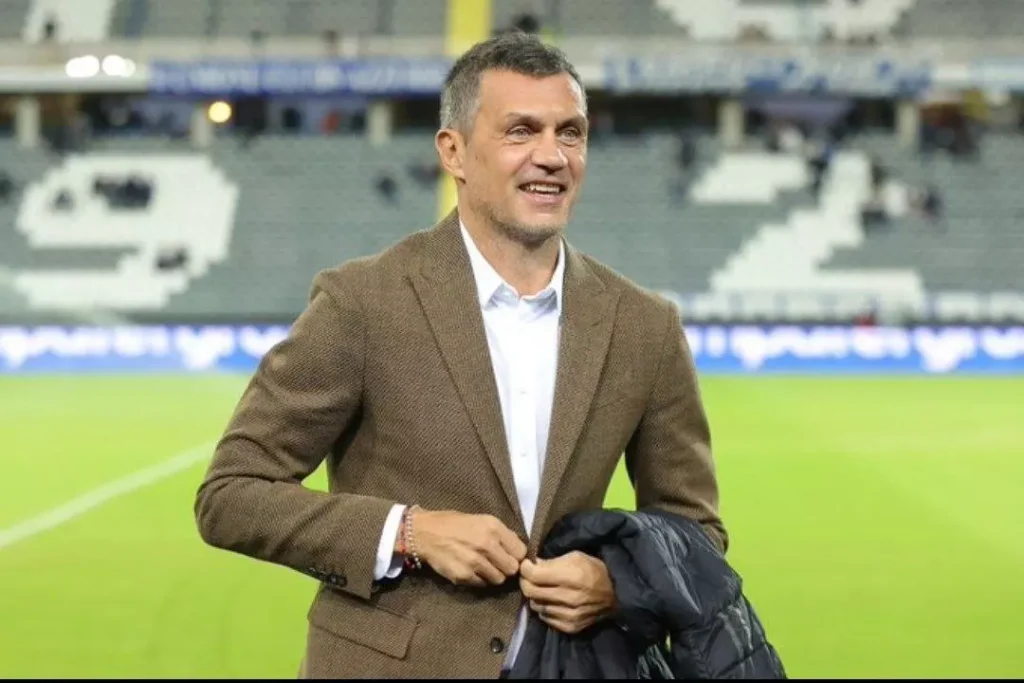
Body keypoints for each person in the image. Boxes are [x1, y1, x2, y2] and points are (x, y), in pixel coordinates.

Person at [194, 31, 726, 679]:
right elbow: (231, 494)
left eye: (570, 133)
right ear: (455, 151)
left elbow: (694, 528)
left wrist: (621, 583)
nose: (552, 156)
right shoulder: (362, 301)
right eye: (521, 131)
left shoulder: (645, 324)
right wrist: (408, 531)